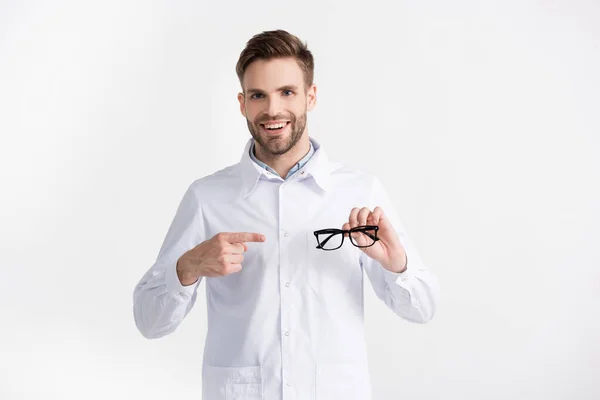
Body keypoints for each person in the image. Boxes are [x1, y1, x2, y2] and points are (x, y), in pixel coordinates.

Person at [133, 29, 439, 400]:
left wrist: (397, 265)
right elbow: (149, 322)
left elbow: (423, 309)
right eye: (258, 95)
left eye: (287, 92)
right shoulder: (207, 197)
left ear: (310, 97)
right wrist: (187, 268)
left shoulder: (359, 192)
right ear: (242, 103)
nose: (272, 109)